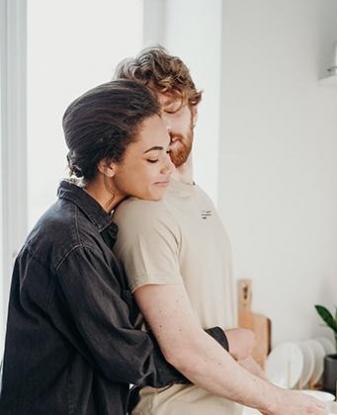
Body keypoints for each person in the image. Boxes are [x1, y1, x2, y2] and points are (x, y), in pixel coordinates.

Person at [113, 48, 327, 415]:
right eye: (150, 115)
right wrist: (278, 403)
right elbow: (184, 349)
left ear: (194, 111)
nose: (163, 128)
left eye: (173, 109)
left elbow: (219, 335)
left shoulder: (196, 199)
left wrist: (279, 397)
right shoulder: (143, 212)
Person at [0, 80, 231, 415]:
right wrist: (224, 342)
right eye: (153, 158)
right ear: (108, 163)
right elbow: (130, 360)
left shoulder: (89, 228)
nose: (168, 166)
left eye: (166, 151)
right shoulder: (72, 243)